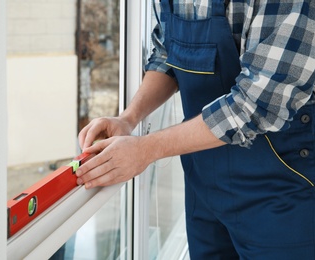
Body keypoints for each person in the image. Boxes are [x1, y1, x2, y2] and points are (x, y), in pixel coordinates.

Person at [76, 0, 315, 259]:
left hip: (280, 192)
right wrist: (128, 118)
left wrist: (146, 149)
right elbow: (166, 54)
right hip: (204, 187)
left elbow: (255, 105)